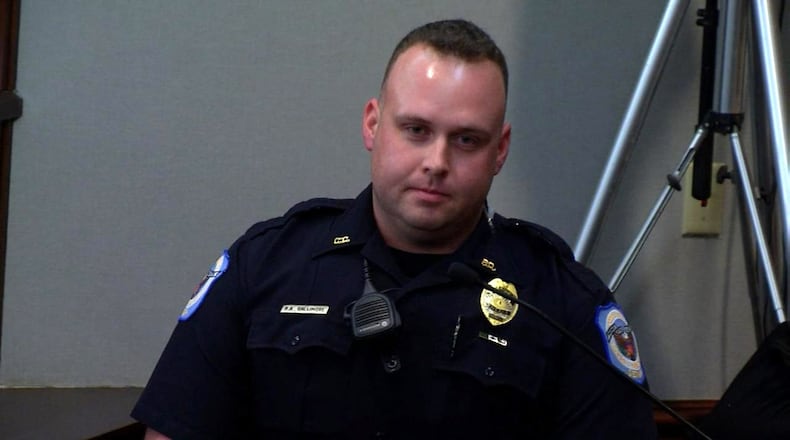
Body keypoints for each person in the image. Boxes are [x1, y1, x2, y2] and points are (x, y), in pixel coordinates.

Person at [132, 19, 658, 439]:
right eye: (416, 130)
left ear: (500, 151)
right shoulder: (266, 264)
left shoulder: (559, 300)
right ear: (372, 124)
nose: (436, 161)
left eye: (467, 140)